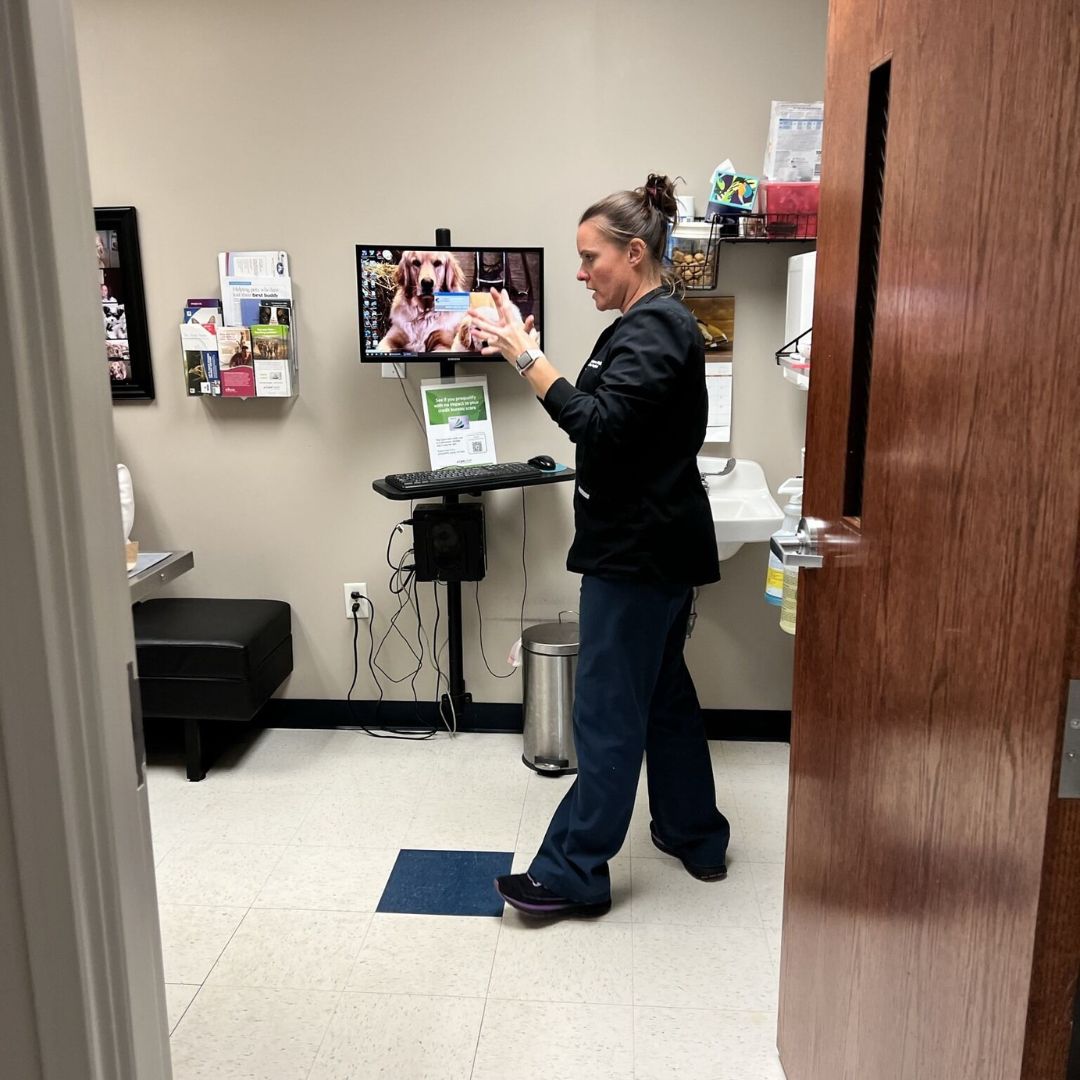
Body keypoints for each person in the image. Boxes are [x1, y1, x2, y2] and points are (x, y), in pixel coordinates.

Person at [469, 174, 730, 918]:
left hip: (638, 557)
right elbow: (614, 422)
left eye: (591, 259)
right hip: (650, 549)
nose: (581, 273)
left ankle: (574, 873)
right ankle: (696, 834)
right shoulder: (647, 325)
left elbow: (601, 426)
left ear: (636, 252)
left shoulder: (656, 327)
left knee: (609, 713)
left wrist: (528, 359)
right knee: (663, 702)